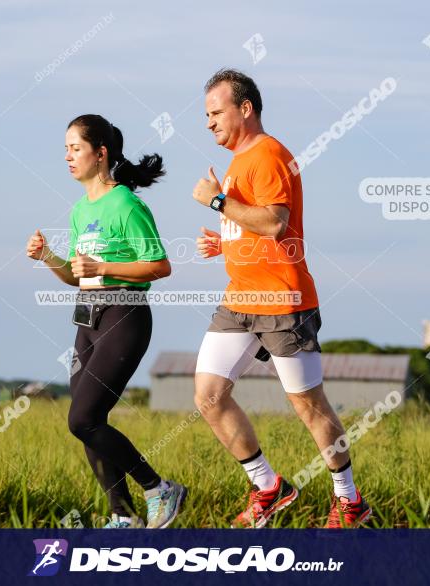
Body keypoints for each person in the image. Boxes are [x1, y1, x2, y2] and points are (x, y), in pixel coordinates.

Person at [191, 70, 371, 529]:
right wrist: (227, 240)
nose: (209, 123)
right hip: (240, 300)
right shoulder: (240, 160)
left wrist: (216, 203)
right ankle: (269, 487)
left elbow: (274, 221)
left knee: (309, 407)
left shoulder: (268, 154)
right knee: (209, 396)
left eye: (216, 113)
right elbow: (256, 227)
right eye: (206, 115)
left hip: (283, 303)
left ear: (245, 108)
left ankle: (350, 503)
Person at [26, 114, 186, 529]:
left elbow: (159, 266)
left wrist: (104, 265)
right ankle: (123, 515)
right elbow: (79, 274)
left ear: (101, 154)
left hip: (124, 315)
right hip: (87, 319)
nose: (67, 156)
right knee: (87, 424)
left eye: (75, 148)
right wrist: (49, 258)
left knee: (82, 418)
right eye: (66, 149)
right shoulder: (81, 209)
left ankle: (158, 488)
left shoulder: (127, 204)